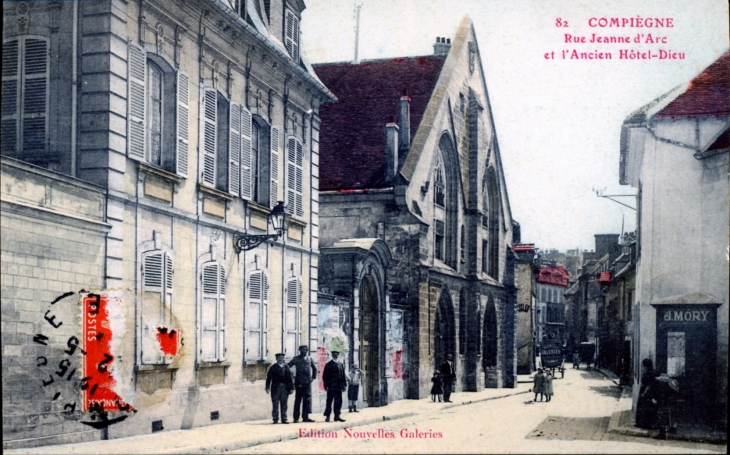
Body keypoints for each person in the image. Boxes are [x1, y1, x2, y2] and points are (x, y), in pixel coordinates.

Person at [288, 345, 317, 423]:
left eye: (305, 350)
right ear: (299, 351)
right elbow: (288, 367)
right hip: (299, 383)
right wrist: (292, 376)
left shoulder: (309, 359)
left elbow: (315, 368)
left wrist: (313, 378)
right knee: (298, 400)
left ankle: (305, 417)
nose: (304, 352)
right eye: (302, 350)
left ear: (307, 350)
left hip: (307, 383)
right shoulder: (296, 359)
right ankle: (296, 418)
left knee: (307, 400)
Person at [265, 353, 294, 424]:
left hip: (284, 388)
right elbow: (268, 378)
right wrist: (267, 387)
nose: (280, 359)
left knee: (284, 404)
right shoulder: (273, 367)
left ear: (283, 359)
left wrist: (291, 388)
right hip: (275, 388)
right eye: (279, 358)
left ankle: (284, 418)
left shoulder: (286, 367)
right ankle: (275, 419)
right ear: (276, 359)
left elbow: (290, 379)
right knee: (275, 403)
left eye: (282, 358)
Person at [322, 350, 347, 422]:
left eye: (337, 355)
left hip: (339, 387)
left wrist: (344, 385)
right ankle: (327, 416)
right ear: (332, 356)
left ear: (338, 355)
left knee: (338, 401)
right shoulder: (328, 364)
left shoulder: (341, 364)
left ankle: (337, 416)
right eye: (334, 355)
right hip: (331, 386)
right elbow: (325, 376)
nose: (335, 356)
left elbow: (343, 376)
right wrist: (326, 386)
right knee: (329, 401)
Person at [635, 358, 657, 429]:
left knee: (645, 407)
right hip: (645, 391)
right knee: (642, 407)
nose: (643, 367)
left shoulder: (650, 373)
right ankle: (641, 423)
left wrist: (644, 393)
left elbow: (649, 385)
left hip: (647, 392)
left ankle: (645, 424)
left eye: (644, 366)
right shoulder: (650, 372)